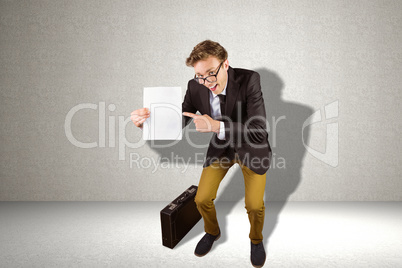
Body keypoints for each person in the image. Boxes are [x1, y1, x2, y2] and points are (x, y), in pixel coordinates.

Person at [131, 40, 272, 268]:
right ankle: (212, 232)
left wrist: (216, 126)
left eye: (211, 73)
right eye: (200, 76)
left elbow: (259, 130)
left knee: (254, 205)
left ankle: (256, 240)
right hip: (222, 148)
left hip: (251, 148)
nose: (206, 82)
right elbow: (181, 119)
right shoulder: (195, 86)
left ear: (226, 64)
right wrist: (146, 124)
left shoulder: (249, 80)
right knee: (201, 199)